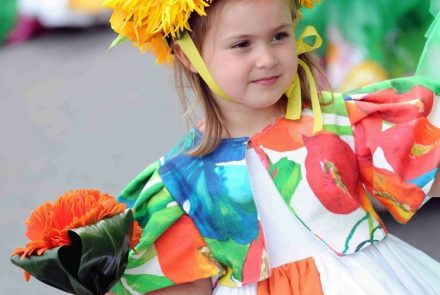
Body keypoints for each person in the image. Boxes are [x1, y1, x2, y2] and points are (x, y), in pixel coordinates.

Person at [104, 0, 440, 294]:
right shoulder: (181, 179)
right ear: (187, 55)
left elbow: (424, 166)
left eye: (279, 35)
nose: (267, 58)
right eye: (242, 44)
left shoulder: (338, 121)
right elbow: (184, 283)